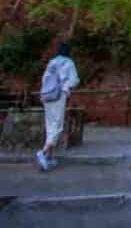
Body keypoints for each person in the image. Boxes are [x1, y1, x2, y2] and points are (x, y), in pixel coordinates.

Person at [36, 42, 79, 172]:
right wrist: (68, 87)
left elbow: (45, 79)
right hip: (58, 96)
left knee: (50, 125)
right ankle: (43, 152)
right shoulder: (69, 63)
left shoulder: (52, 62)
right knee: (58, 126)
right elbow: (74, 80)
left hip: (46, 95)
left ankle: (49, 158)